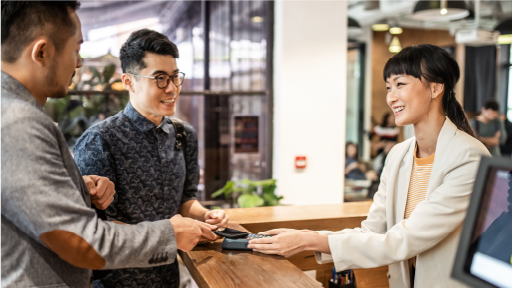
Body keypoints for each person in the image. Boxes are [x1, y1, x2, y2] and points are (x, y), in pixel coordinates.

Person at [0, 1, 217, 287]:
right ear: (42, 52)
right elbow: (80, 240)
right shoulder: (18, 121)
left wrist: (80, 188)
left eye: (174, 77)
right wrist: (168, 234)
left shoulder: (13, 114)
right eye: (76, 50)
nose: (79, 63)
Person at [248, 44, 490, 288]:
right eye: (388, 87)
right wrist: (305, 237)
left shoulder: (469, 157)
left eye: (400, 84)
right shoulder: (398, 154)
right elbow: (373, 232)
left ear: (436, 88)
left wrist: (309, 241)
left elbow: (405, 239)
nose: (391, 97)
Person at [73, 29, 229, 288]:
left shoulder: (183, 134)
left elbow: (185, 201)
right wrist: (166, 234)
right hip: (116, 282)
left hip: (169, 278)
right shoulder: (100, 140)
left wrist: (205, 215)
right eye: (159, 78)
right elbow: (96, 230)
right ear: (129, 81)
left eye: (175, 76)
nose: (172, 88)